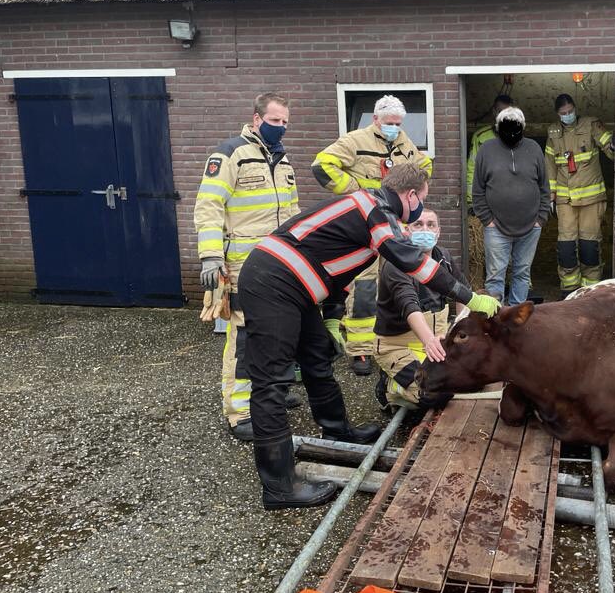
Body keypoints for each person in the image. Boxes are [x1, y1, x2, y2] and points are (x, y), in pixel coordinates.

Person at [238, 164, 500, 510]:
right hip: (273, 282)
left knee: (318, 357)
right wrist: (469, 297)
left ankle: (337, 431)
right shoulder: (374, 209)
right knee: (270, 381)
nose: (421, 208)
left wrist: (331, 317)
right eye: (422, 200)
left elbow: (340, 270)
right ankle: (279, 487)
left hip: (294, 286)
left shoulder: (372, 212)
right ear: (410, 195)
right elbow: (414, 265)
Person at [194, 93, 302, 442]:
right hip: (243, 266)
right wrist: (211, 256)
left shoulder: (283, 161)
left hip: (280, 264)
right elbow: (209, 206)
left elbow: (292, 211)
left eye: (285, 121)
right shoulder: (229, 155)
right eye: (275, 120)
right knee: (244, 336)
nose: (280, 127)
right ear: (256, 119)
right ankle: (240, 412)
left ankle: (273, 394)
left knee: (280, 331)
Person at [311, 95, 433, 377]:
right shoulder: (355, 141)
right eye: (389, 123)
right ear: (376, 119)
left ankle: (388, 340)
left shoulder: (404, 143)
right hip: (363, 224)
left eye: (399, 124)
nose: (395, 128)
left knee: (394, 281)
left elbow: (424, 168)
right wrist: (355, 189)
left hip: (392, 223)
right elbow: (322, 166)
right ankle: (360, 350)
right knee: (364, 289)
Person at [374, 208, 464, 412]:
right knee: (435, 395)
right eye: (418, 224)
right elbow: (409, 306)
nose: (425, 229)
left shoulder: (445, 258)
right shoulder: (395, 265)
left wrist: (456, 332)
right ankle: (389, 387)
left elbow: (463, 294)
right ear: (407, 230)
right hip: (398, 347)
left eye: (430, 225)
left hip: (434, 345)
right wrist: (430, 342)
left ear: (439, 231)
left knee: (467, 380)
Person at [472, 106, 551, 305]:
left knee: (522, 273)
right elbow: (478, 188)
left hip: (530, 226)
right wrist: (487, 219)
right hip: (496, 227)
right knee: (495, 275)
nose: (512, 134)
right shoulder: (486, 150)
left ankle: (517, 318)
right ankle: (494, 317)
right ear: (498, 128)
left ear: (523, 128)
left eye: (517, 129)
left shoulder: (533, 148)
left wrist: (540, 218)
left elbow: (544, 186)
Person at [545, 93, 614, 297]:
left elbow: (609, 146)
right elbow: (549, 166)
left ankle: (591, 291)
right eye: (563, 113)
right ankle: (569, 290)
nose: (568, 115)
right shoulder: (553, 132)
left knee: (589, 246)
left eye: (570, 111)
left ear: (575, 108)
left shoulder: (590, 125)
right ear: (558, 114)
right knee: (566, 247)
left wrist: (614, 145)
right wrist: (551, 196)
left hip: (591, 199)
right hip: (565, 200)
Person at [465, 94, 514, 290]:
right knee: (486, 252)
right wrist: (471, 202)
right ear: (494, 112)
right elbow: (472, 170)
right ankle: (489, 295)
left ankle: (511, 291)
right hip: (487, 204)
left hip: (511, 205)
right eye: (500, 111)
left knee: (511, 253)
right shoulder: (481, 137)